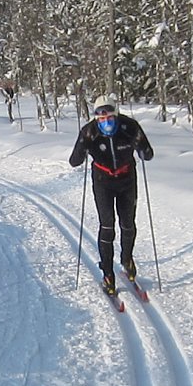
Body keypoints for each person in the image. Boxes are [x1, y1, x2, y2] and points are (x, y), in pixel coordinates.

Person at [69, 95, 155, 295]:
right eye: (101, 118)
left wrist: (140, 144)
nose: (105, 121)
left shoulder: (129, 127)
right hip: (103, 181)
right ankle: (108, 273)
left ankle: (127, 259)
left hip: (127, 178)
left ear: (116, 114)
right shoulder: (89, 131)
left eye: (109, 116)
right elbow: (74, 161)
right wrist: (83, 146)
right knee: (107, 226)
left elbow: (148, 154)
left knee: (128, 223)